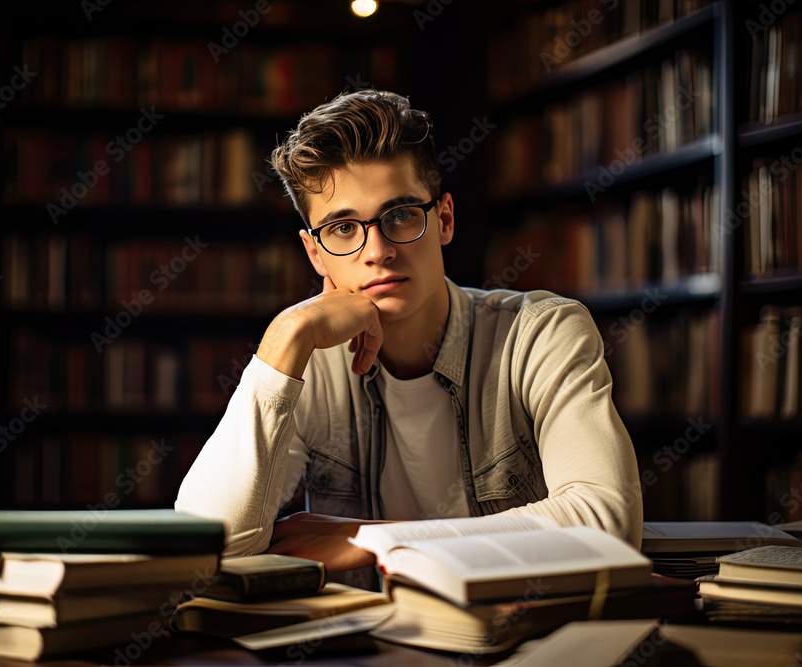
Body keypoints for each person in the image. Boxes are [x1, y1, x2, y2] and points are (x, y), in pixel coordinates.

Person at [175, 90, 642, 587]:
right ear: (314, 254)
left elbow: (608, 525)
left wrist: (378, 538)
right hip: (363, 654)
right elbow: (212, 546)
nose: (376, 251)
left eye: (399, 216)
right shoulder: (307, 362)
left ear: (443, 219)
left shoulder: (541, 333)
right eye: (342, 227)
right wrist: (285, 338)